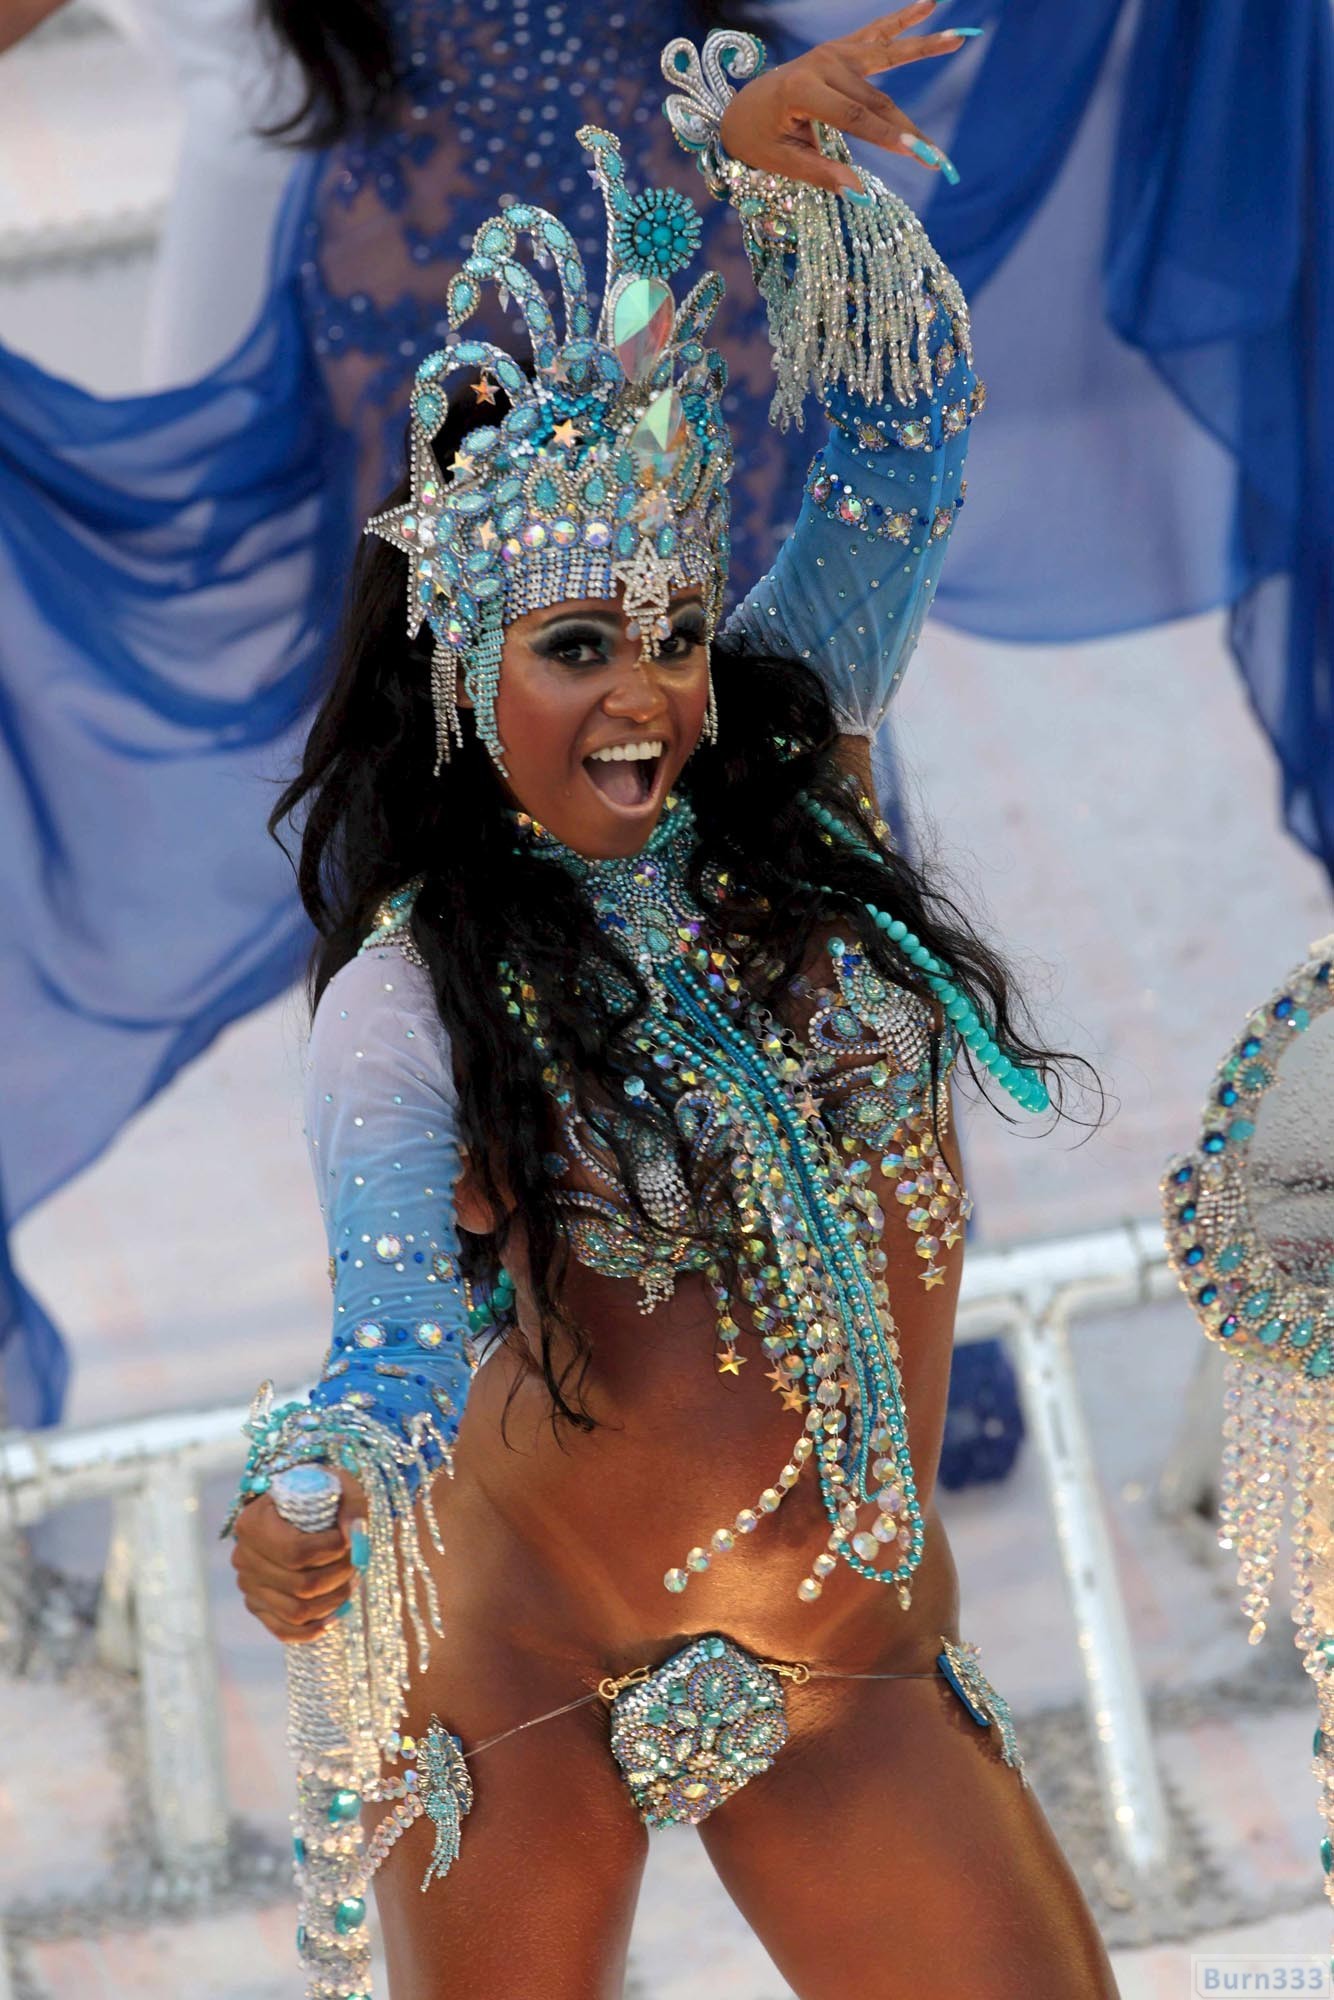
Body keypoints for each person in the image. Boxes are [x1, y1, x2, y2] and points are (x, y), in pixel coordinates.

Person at [226, 8, 1115, 1994]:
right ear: (460, 676)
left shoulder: (790, 757)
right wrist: (308, 1497)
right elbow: (391, 1345)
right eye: (573, 647)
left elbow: (900, 449)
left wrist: (793, 195)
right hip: (523, 1663)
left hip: (847, 1658)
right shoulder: (409, 999)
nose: (646, 692)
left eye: (677, 633)